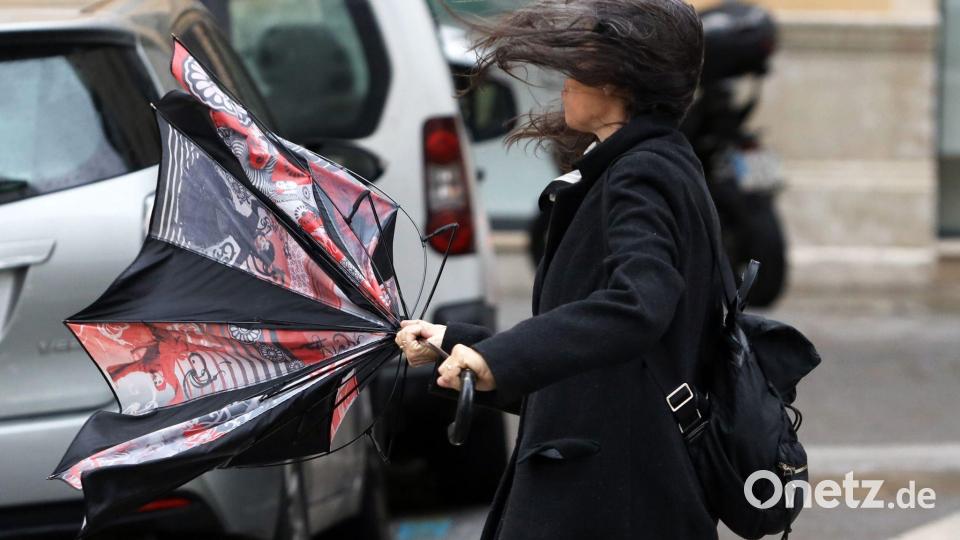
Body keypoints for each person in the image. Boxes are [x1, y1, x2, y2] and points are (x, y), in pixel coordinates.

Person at [396, 1, 720, 538]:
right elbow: (595, 364)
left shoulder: (641, 173)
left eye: (579, 64)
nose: (565, 82)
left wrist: (498, 357)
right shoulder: (655, 163)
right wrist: (459, 345)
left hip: (612, 499)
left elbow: (639, 305)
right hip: (614, 487)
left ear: (617, 81)